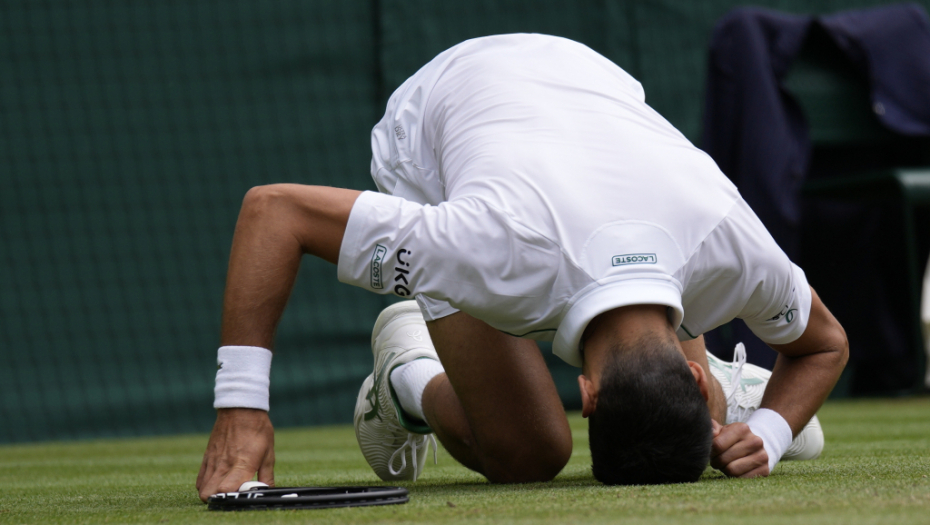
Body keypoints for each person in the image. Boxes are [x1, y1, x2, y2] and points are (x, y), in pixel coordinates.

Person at [196, 34, 848, 500]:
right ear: (588, 397)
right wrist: (240, 410)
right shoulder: (486, 247)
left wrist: (769, 430)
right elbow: (274, 212)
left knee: (558, 434)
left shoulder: (727, 249)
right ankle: (405, 370)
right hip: (440, 109)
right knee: (527, 454)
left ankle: (730, 395)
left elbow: (826, 344)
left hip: (588, 80)